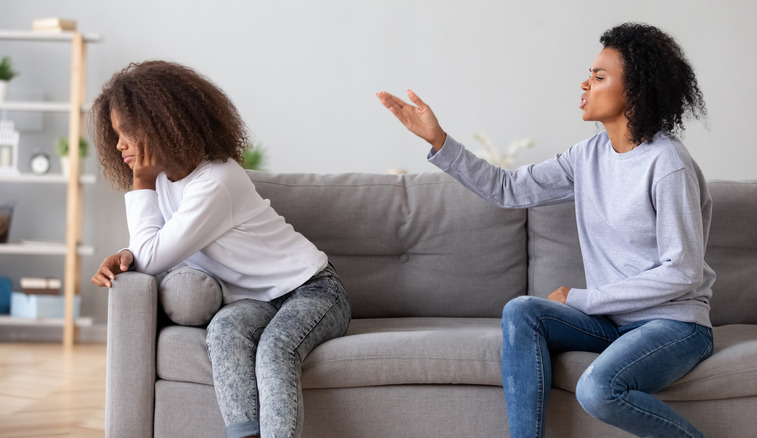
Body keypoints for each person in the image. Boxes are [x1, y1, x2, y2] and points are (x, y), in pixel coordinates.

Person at [377, 22, 714, 438]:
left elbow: (682, 272)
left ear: (635, 91)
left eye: (599, 76)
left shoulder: (668, 164)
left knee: (598, 388)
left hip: (674, 324)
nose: (584, 83)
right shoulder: (587, 155)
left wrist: (584, 298)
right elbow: (508, 189)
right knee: (522, 310)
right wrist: (440, 141)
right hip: (612, 321)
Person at [90, 60, 351, 438]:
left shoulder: (215, 180)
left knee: (276, 351)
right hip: (259, 301)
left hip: (315, 291)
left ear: (164, 121)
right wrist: (128, 254)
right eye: (115, 133)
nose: (119, 144)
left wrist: (140, 183)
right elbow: (148, 252)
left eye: (127, 131)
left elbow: (151, 255)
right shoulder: (164, 181)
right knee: (225, 331)